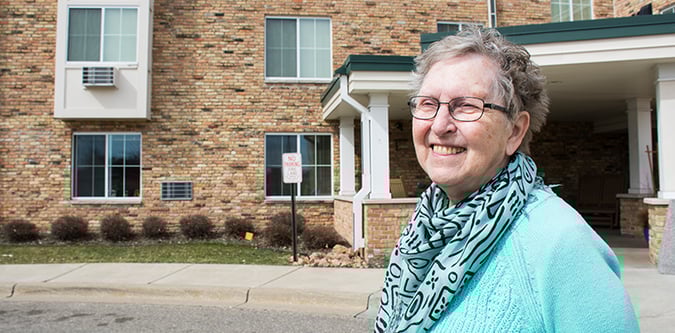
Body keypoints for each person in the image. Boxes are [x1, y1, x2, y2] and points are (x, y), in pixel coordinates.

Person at [374, 27, 639, 333]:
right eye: (428, 104)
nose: (440, 124)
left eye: (467, 106)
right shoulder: (427, 225)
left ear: (514, 131)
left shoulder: (560, 243)